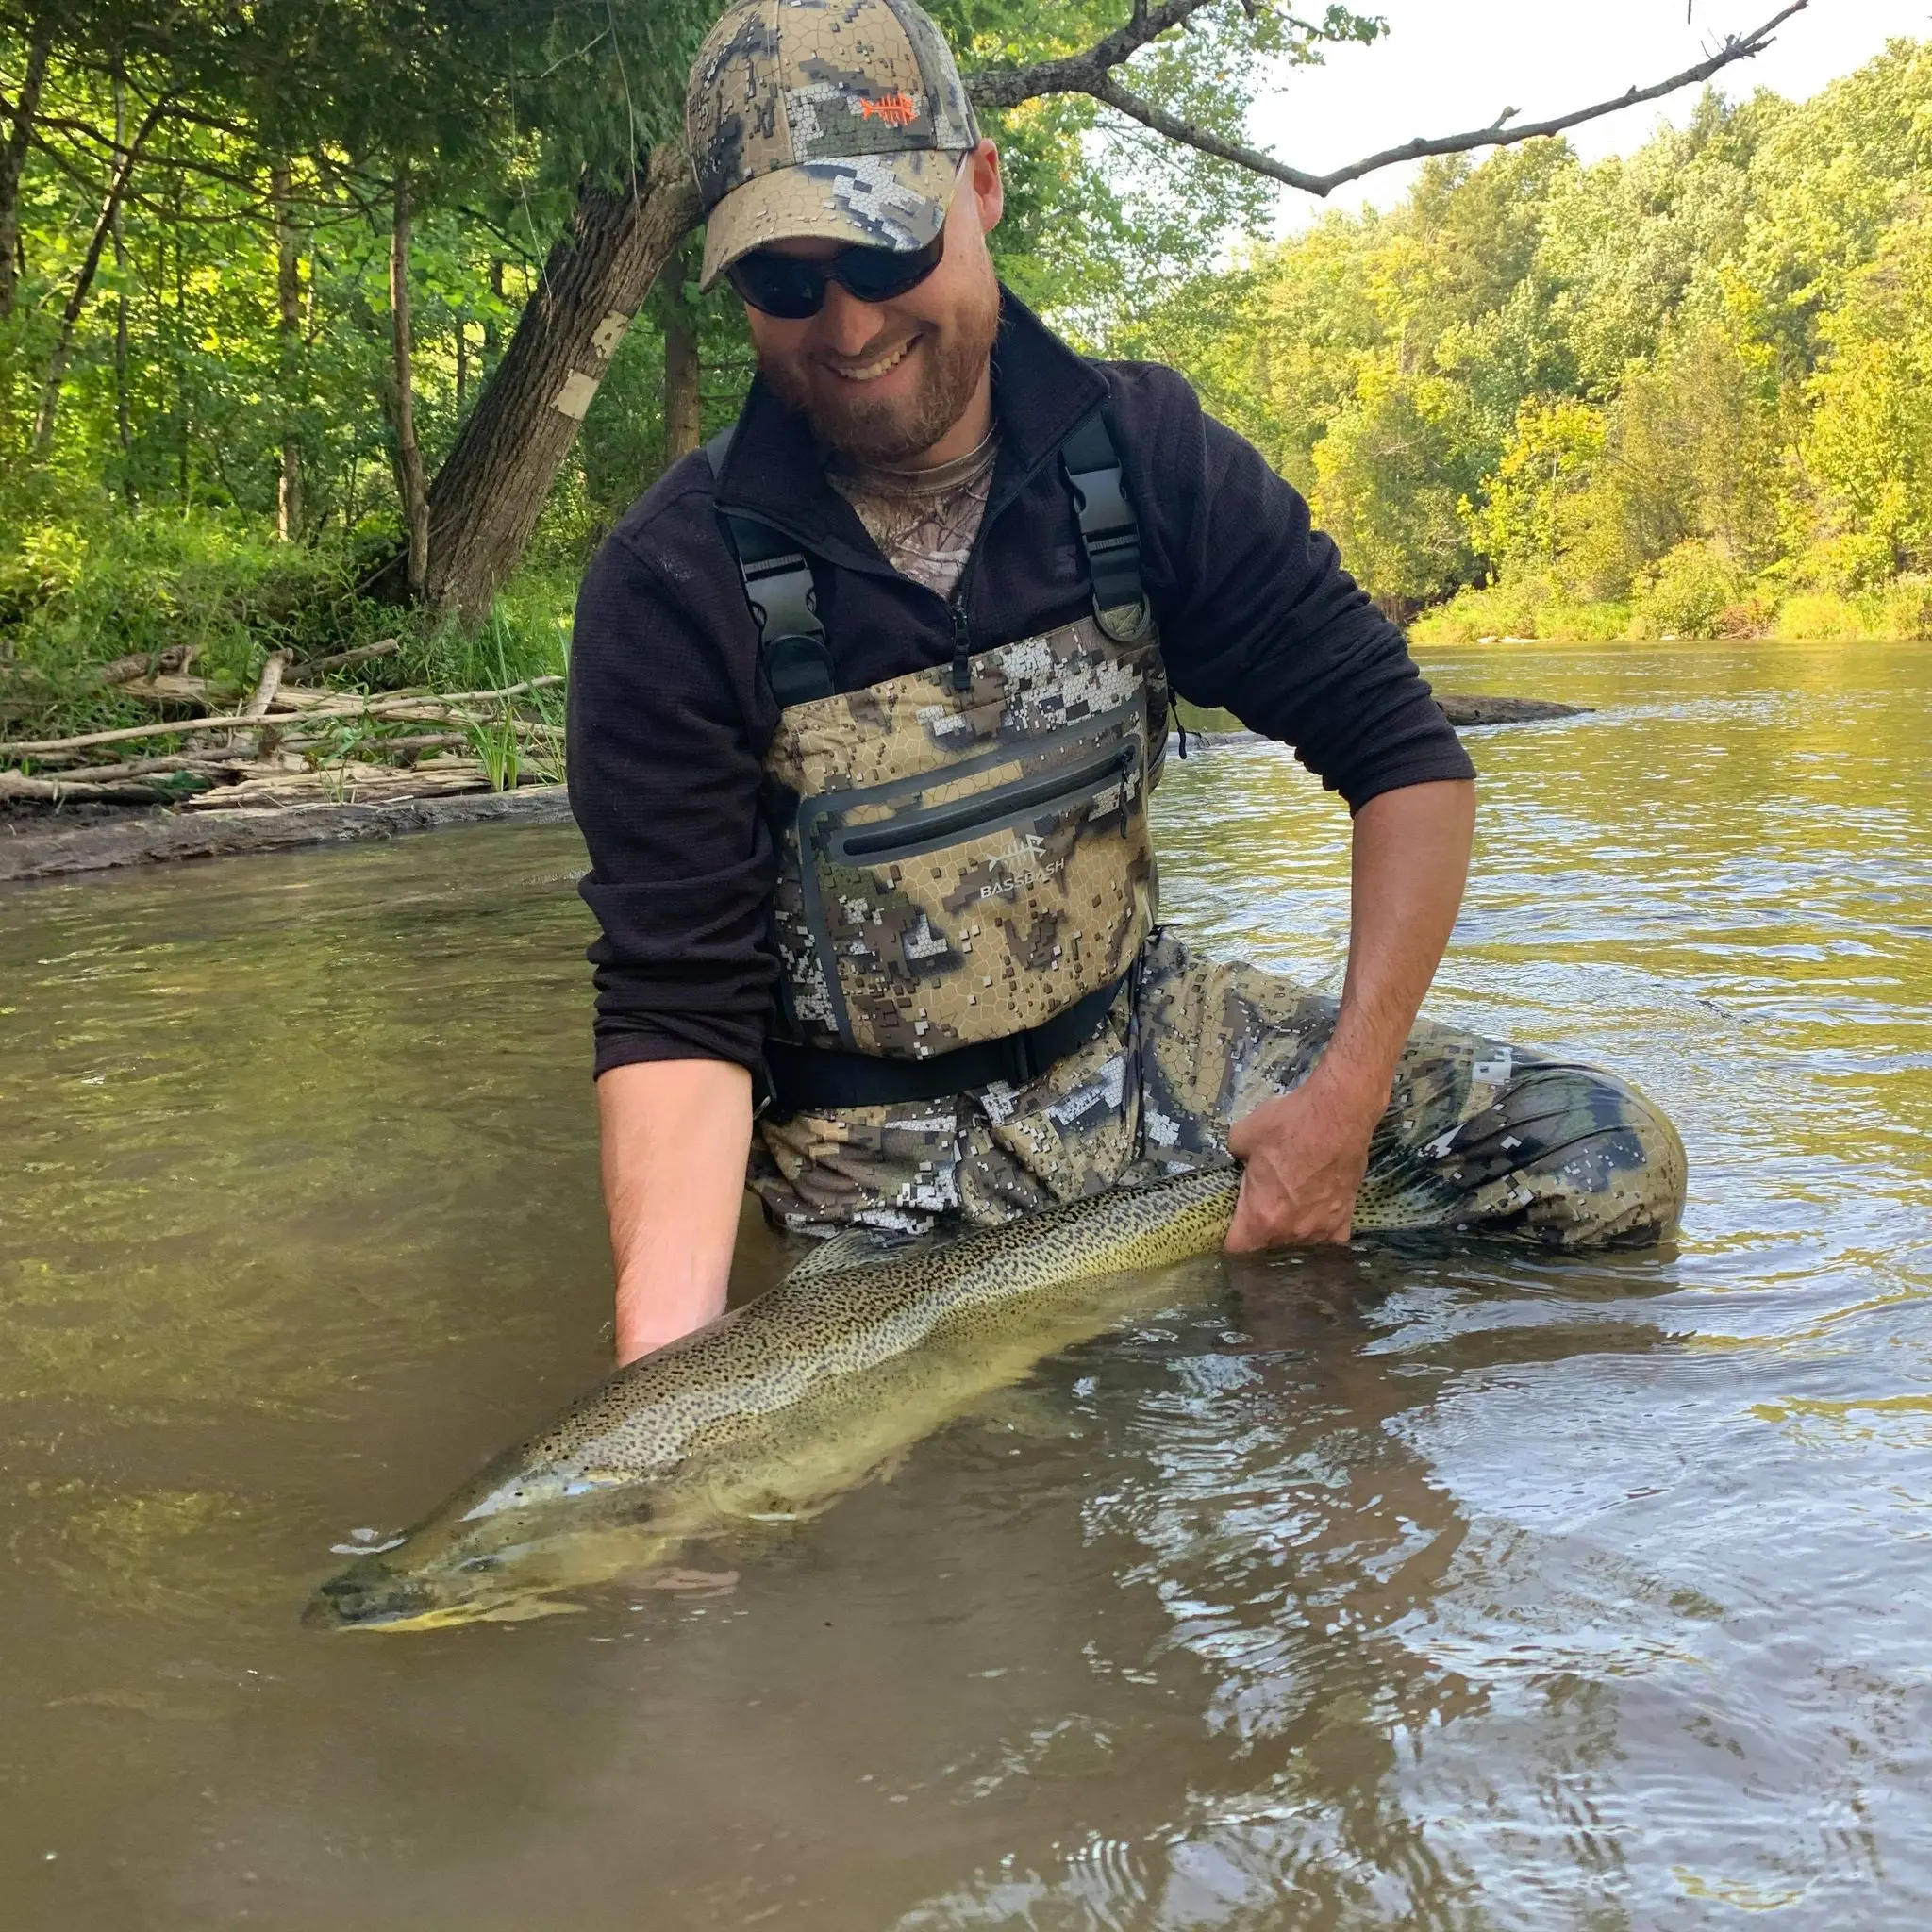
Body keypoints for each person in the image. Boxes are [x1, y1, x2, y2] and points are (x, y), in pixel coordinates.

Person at [567, 0, 1686, 1366]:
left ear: (978, 185)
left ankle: (1324, 1368)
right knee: (942, 1536)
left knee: (1599, 1160)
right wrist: (665, 1392)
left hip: (1153, 1049)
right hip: (878, 1164)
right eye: (785, 284)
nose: (847, 324)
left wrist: (1343, 1105)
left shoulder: (1144, 455)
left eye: (883, 248)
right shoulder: (671, 581)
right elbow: (678, 1017)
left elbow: (1406, 758)